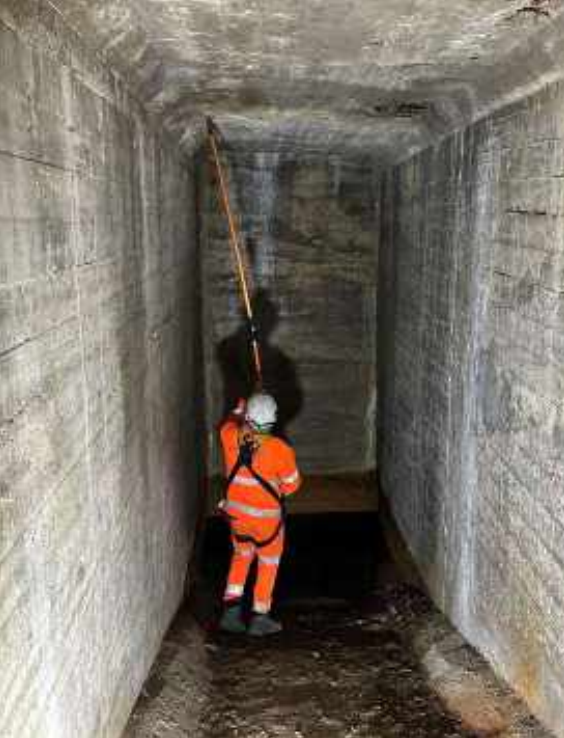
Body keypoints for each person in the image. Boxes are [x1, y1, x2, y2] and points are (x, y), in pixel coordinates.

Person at [218, 392, 301, 636]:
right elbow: (292, 486)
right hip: (267, 524)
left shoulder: (229, 436)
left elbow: (229, 421)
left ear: (248, 417)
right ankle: (260, 617)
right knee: (268, 562)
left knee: (241, 555)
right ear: (273, 420)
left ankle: (231, 612)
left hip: (237, 518)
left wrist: (240, 408)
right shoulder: (280, 449)